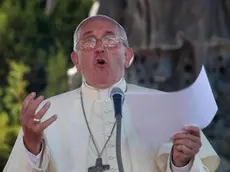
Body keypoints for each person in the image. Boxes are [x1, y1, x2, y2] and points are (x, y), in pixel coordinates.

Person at [3, 15, 220, 172]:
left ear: (127, 56)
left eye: (109, 40)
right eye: (88, 41)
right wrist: (31, 147)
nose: (99, 47)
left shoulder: (165, 107)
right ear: (76, 61)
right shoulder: (46, 114)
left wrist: (181, 163)